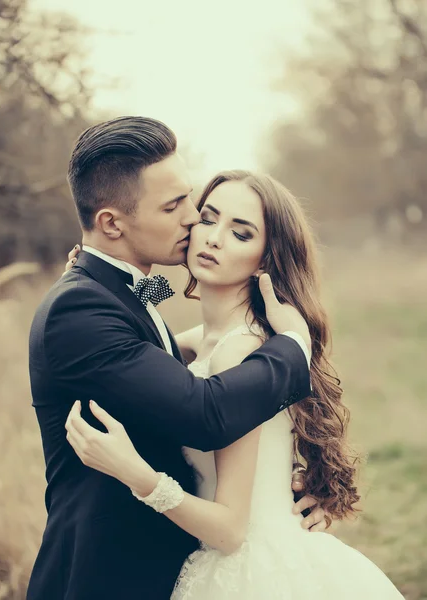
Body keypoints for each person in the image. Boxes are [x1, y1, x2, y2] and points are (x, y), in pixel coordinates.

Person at [65, 170, 405, 599]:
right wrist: (89, 275)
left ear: (265, 259)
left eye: (240, 233)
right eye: (208, 219)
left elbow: (229, 531)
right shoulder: (198, 343)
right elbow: (137, 338)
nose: (214, 238)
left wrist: (137, 474)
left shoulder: (239, 350)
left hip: (249, 572)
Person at [27, 116, 327, 600]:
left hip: (185, 566)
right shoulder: (80, 308)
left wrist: (287, 486)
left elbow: (176, 342)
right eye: (177, 207)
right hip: (105, 574)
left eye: (193, 201)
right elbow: (206, 410)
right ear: (111, 223)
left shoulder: (129, 292)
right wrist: (294, 343)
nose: (193, 221)